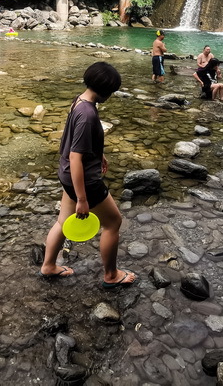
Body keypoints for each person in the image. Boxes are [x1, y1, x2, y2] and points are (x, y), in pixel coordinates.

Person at [40, 62, 136, 289]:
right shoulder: (88, 114)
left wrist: (99, 154)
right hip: (83, 179)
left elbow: (78, 142)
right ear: (104, 91)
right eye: (111, 92)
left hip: (66, 174)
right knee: (114, 222)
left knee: (63, 221)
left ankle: (48, 266)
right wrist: (82, 200)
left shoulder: (79, 101)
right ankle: (111, 275)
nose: (111, 96)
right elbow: (76, 157)